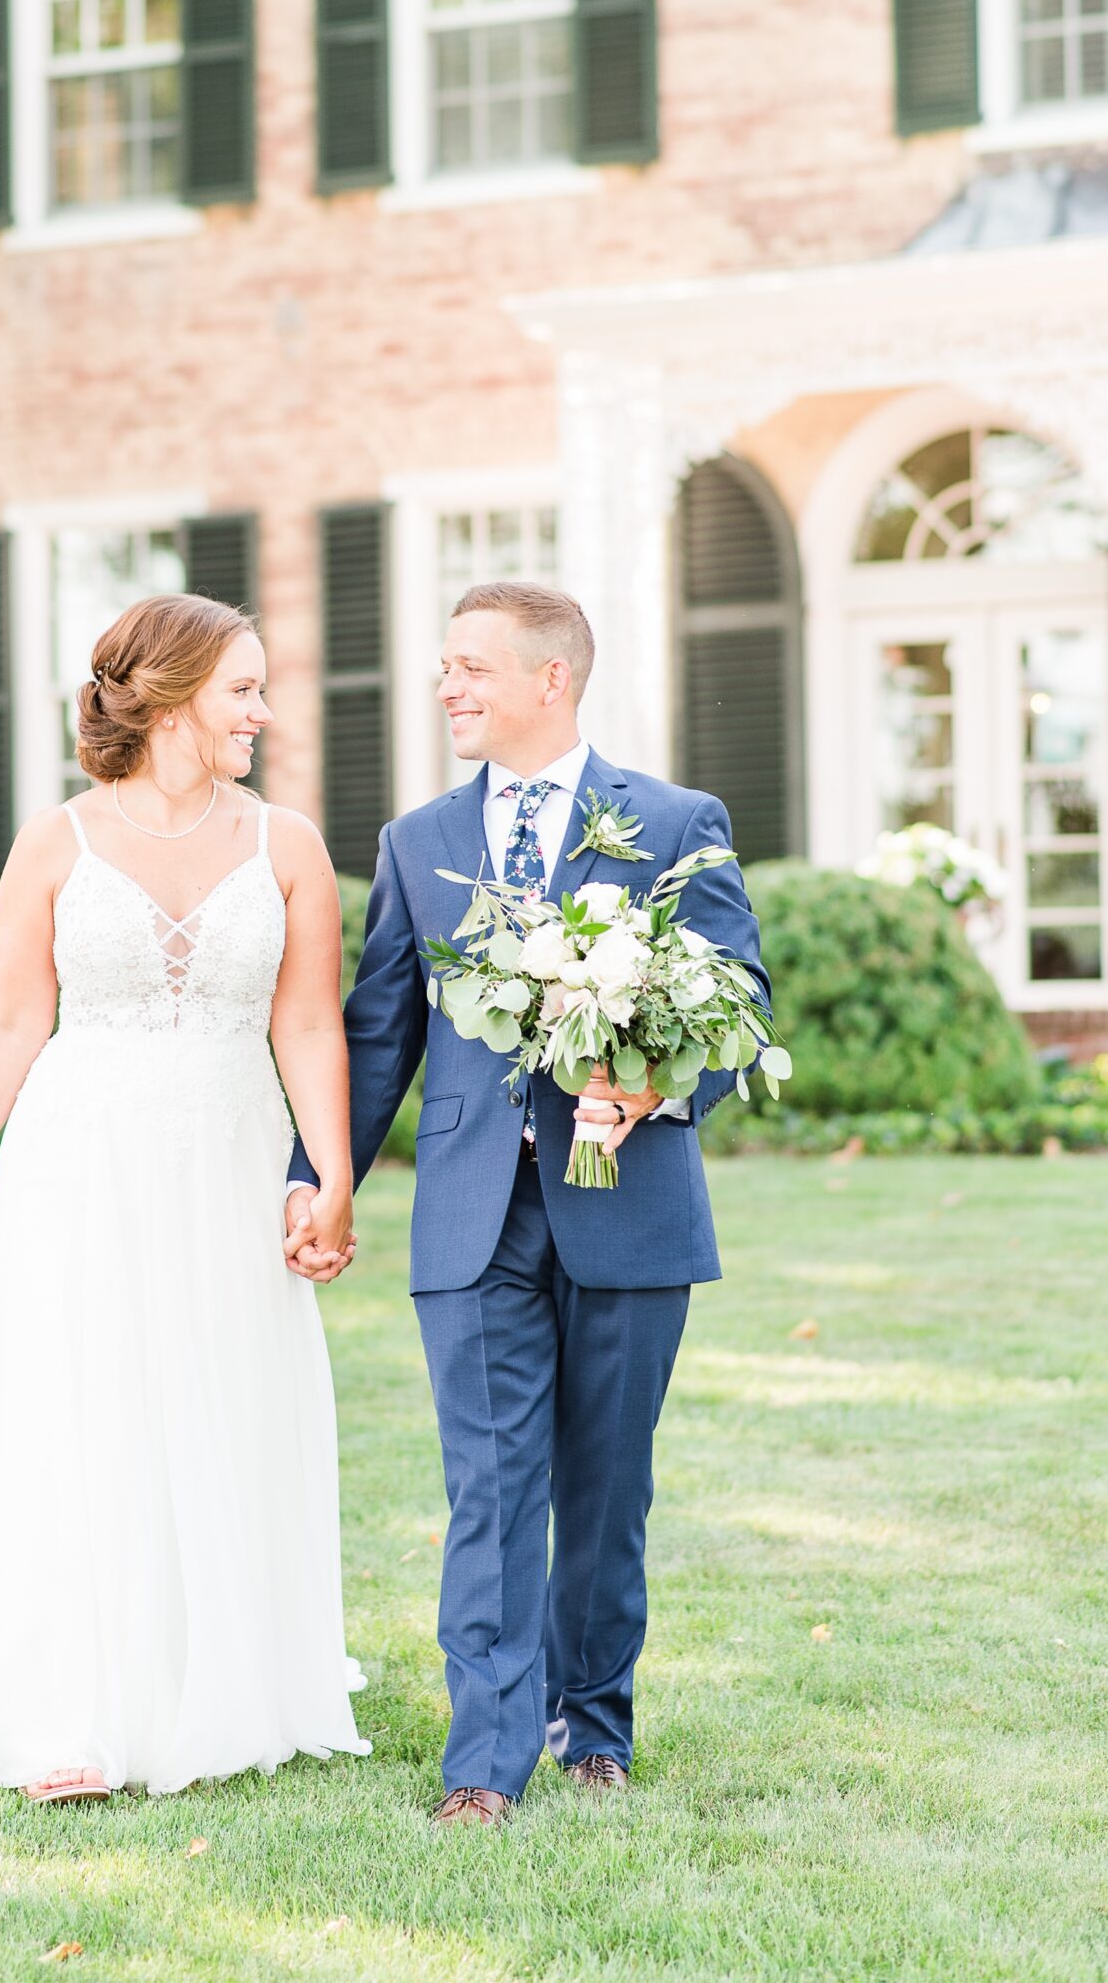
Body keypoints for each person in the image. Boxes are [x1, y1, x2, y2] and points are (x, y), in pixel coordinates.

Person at [0, 593, 369, 1800]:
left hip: (226, 1154)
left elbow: (309, 1021)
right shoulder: (55, 839)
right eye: (242, 690)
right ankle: (63, 1706)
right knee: (77, 1403)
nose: (263, 713)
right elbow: (15, 1016)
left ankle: (217, 1668)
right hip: (78, 1159)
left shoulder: (288, 844)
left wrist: (328, 1176)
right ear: (167, 697)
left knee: (218, 1394)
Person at [287, 581, 768, 1822]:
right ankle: (481, 1764)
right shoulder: (416, 840)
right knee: (490, 1490)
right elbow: (378, 1032)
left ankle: (594, 1725)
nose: (446, 686)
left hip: (629, 1206)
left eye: (469, 666)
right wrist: (320, 1174)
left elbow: (736, 1006)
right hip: (468, 1211)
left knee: (605, 1486)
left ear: (548, 678)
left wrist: (654, 1091)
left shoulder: (670, 821)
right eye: (442, 667)